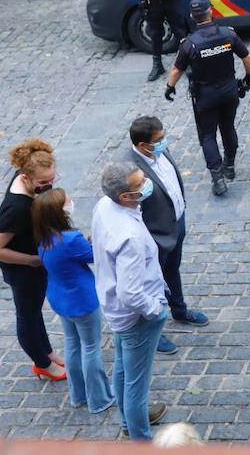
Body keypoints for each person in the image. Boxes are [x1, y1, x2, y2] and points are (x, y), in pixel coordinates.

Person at [91, 161, 170, 440]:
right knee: (137, 384)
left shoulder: (104, 205)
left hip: (116, 310)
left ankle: (128, 422)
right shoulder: (131, 237)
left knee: (124, 369)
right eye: (141, 184)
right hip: (136, 318)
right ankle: (140, 438)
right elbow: (131, 293)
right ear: (125, 196)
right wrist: (156, 310)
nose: (147, 184)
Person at [0, 139, 65, 381]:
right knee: (28, 315)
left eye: (52, 179)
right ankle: (41, 363)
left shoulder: (28, 182)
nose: (48, 186)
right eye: (43, 183)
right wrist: (31, 261)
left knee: (35, 310)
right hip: (23, 270)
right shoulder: (17, 207)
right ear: (26, 178)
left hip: (35, 263)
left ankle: (47, 352)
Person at [127, 116, 208, 356]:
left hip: (176, 224)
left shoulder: (159, 152)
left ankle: (179, 310)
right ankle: (152, 330)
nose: (164, 142)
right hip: (153, 235)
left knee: (173, 270)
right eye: (159, 140)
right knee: (151, 282)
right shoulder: (130, 169)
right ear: (143, 146)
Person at [32, 188, 115, 414]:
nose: (70, 201)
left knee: (72, 345)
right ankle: (99, 399)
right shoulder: (70, 239)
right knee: (91, 348)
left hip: (60, 299)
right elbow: (95, 256)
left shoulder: (44, 237)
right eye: (66, 201)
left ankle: (78, 395)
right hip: (82, 301)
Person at [164, 0, 250, 196]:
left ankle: (218, 179)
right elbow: (246, 57)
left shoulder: (190, 43)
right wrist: (249, 77)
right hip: (229, 90)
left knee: (207, 136)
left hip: (205, 95)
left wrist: (170, 87)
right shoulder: (228, 35)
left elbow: (177, 70)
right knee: (228, 127)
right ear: (211, 11)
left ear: (191, 16)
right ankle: (229, 166)